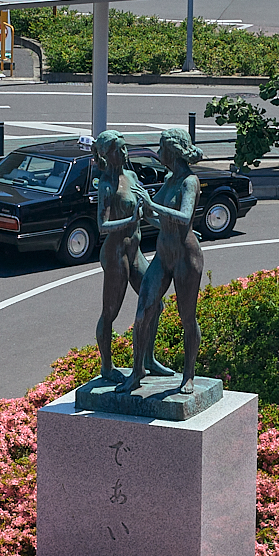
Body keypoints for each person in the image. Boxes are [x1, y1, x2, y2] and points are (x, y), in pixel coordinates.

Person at [125, 129, 206, 395]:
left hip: (185, 256)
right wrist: (141, 208)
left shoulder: (189, 182)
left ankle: (189, 375)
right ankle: (137, 371)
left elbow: (184, 217)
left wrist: (152, 204)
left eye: (161, 149)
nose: (159, 153)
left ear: (172, 152)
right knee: (143, 311)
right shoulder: (170, 180)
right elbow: (154, 213)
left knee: (187, 317)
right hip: (163, 255)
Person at [90, 131, 170, 385]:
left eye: (125, 148)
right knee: (110, 313)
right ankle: (107, 366)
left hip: (135, 251)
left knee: (155, 303)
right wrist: (130, 220)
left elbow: (147, 214)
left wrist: (176, 230)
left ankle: (148, 358)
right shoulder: (106, 185)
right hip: (115, 253)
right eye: (119, 150)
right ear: (107, 155)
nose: (124, 154)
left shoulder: (132, 177)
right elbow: (102, 226)